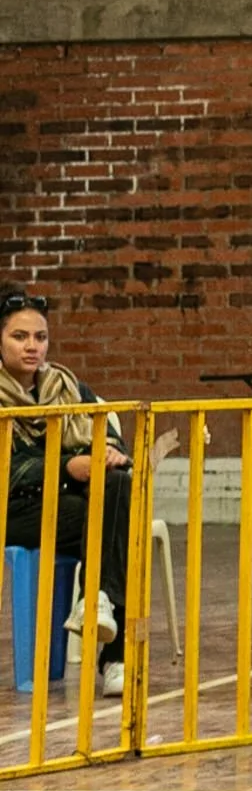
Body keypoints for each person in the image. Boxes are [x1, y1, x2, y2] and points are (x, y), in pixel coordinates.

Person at [0, 287, 134, 692]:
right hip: (14, 509)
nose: (32, 347)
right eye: (19, 337)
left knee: (117, 483)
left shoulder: (67, 385)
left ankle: (98, 603)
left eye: (40, 337)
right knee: (116, 525)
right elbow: (12, 469)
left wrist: (112, 453)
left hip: (67, 505)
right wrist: (67, 468)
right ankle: (115, 656)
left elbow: (110, 433)